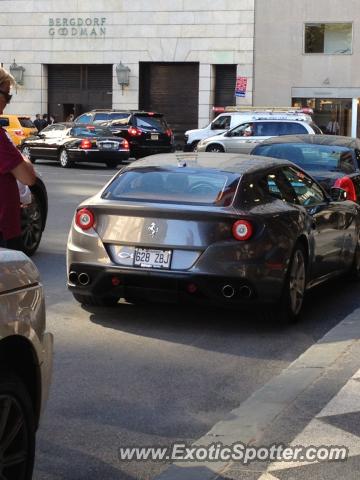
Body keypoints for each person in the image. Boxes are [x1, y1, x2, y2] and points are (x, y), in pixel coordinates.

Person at [0, 66, 36, 250]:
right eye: (7, 95)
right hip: (4, 230)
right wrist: (24, 158)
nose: (7, 103)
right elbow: (28, 177)